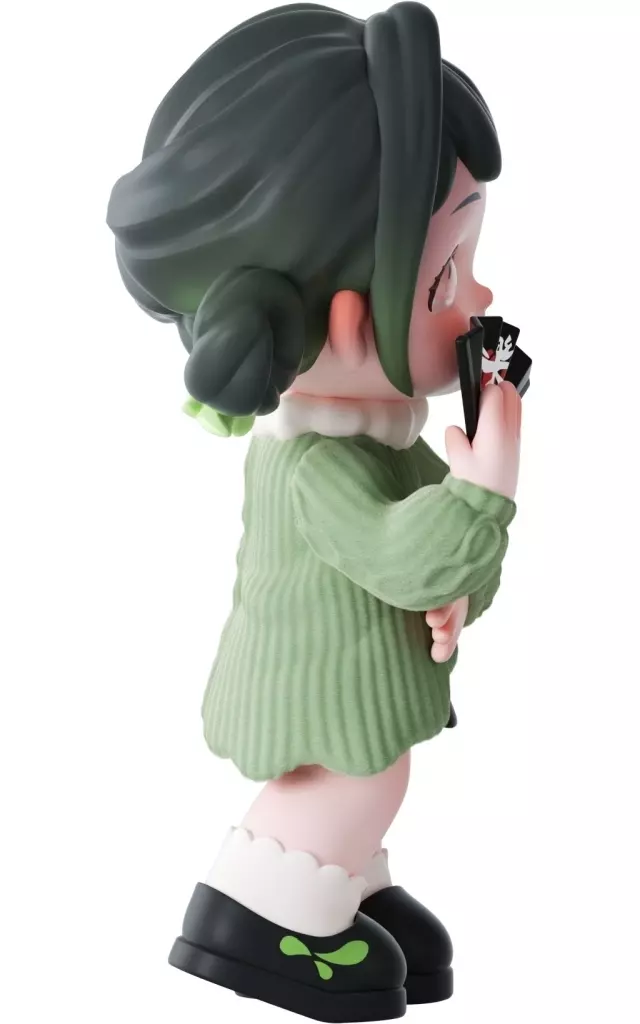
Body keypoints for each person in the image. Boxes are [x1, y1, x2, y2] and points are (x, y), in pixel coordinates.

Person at [106, 3, 522, 1020]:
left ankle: (346, 886)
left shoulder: (372, 437)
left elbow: (431, 559)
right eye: (447, 276)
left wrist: (458, 587)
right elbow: (403, 550)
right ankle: (262, 912)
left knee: (373, 780)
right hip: (314, 687)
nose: (478, 300)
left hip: (354, 674)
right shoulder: (316, 463)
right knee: (358, 780)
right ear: (346, 313)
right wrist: (487, 484)